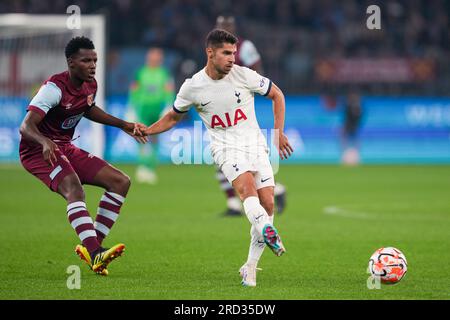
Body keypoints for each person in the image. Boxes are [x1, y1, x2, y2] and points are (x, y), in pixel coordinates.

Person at [142, 29, 293, 286]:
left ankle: (250, 267)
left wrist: (278, 133)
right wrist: (148, 129)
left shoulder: (244, 76)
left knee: (268, 204)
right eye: (226, 53)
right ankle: (268, 230)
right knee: (247, 192)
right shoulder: (193, 86)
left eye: (233, 53)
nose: (232, 58)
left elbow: (277, 94)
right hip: (225, 149)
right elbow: (173, 116)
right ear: (210, 53)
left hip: (255, 146)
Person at [19, 36, 147, 276]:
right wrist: (45, 141)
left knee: (120, 181)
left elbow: (88, 109)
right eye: (86, 60)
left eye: (95, 60)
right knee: (74, 190)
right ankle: (95, 251)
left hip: (64, 147)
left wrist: (124, 125)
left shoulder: (90, 85)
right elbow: (25, 127)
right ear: (71, 62)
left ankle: (93, 249)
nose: (92, 65)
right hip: (38, 151)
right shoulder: (53, 89)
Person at [215, 15, 287, 216]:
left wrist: (247, 85)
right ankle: (272, 191)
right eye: (221, 25)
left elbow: (257, 69)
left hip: (239, 109)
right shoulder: (216, 52)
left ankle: (236, 203)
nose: (224, 29)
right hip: (221, 108)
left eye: (227, 26)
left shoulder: (245, 47)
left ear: (233, 27)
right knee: (229, 160)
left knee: (234, 158)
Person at [128, 47, 175, 184]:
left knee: (155, 140)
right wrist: (131, 107)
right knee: (141, 137)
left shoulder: (164, 73)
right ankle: (142, 166)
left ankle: (151, 168)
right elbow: (134, 90)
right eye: (153, 56)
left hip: (158, 111)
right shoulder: (141, 73)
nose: (155, 58)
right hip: (143, 110)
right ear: (148, 58)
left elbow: (168, 90)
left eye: (158, 56)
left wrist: (168, 106)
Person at [341, 91, 362, 166]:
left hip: (353, 126)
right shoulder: (348, 107)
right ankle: (345, 155)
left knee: (354, 141)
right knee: (345, 140)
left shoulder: (358, 108)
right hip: (348, 126)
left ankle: (355, 156)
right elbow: (345, 117)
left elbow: (359, 117)